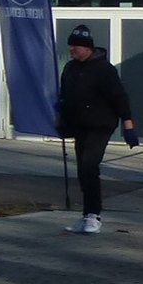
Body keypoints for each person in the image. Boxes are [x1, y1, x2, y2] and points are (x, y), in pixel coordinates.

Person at [55, 24, 133, 235]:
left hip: (100, 124)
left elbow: (120, 97)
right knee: (82, 169)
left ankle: (94, 215)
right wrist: (62, 119)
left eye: (77, 47)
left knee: (89, 166)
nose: (72, 50)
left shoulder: (104, 69)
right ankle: (87, 214)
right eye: (71, 46)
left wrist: (128, 124)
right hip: (79, 125)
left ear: (88, 48)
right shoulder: (70, 68)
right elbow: (66, 96)